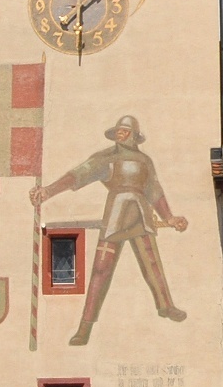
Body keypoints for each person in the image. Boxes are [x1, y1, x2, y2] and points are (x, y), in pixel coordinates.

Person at [29, 116, 188, 345]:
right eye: (118, 132)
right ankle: (85, 328)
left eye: (124, 131)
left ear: (133, 133)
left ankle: (166, 306)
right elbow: (77, 175)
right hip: (116, 215)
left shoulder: (145, 161)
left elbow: (154, 190)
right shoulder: (106, 158)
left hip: (141, 215)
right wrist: (49, 191)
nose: (120, 135)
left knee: (152, 263)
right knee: (101, 271)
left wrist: (169, 217)